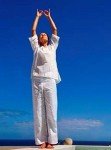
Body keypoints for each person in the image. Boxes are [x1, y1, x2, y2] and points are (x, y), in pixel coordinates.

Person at [28, 9, 61, 149]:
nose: (42, 35)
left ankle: (52, 140)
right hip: (36, 80)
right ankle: (41, 140)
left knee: (52, 110)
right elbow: (33, 30)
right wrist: (37, 17)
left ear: (47, 38)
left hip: (50, 80)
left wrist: (48, 17)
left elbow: (54, 29)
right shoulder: (36, 48)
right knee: (38, 111)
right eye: (41, 35)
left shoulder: (53, 47)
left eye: (44, 34)